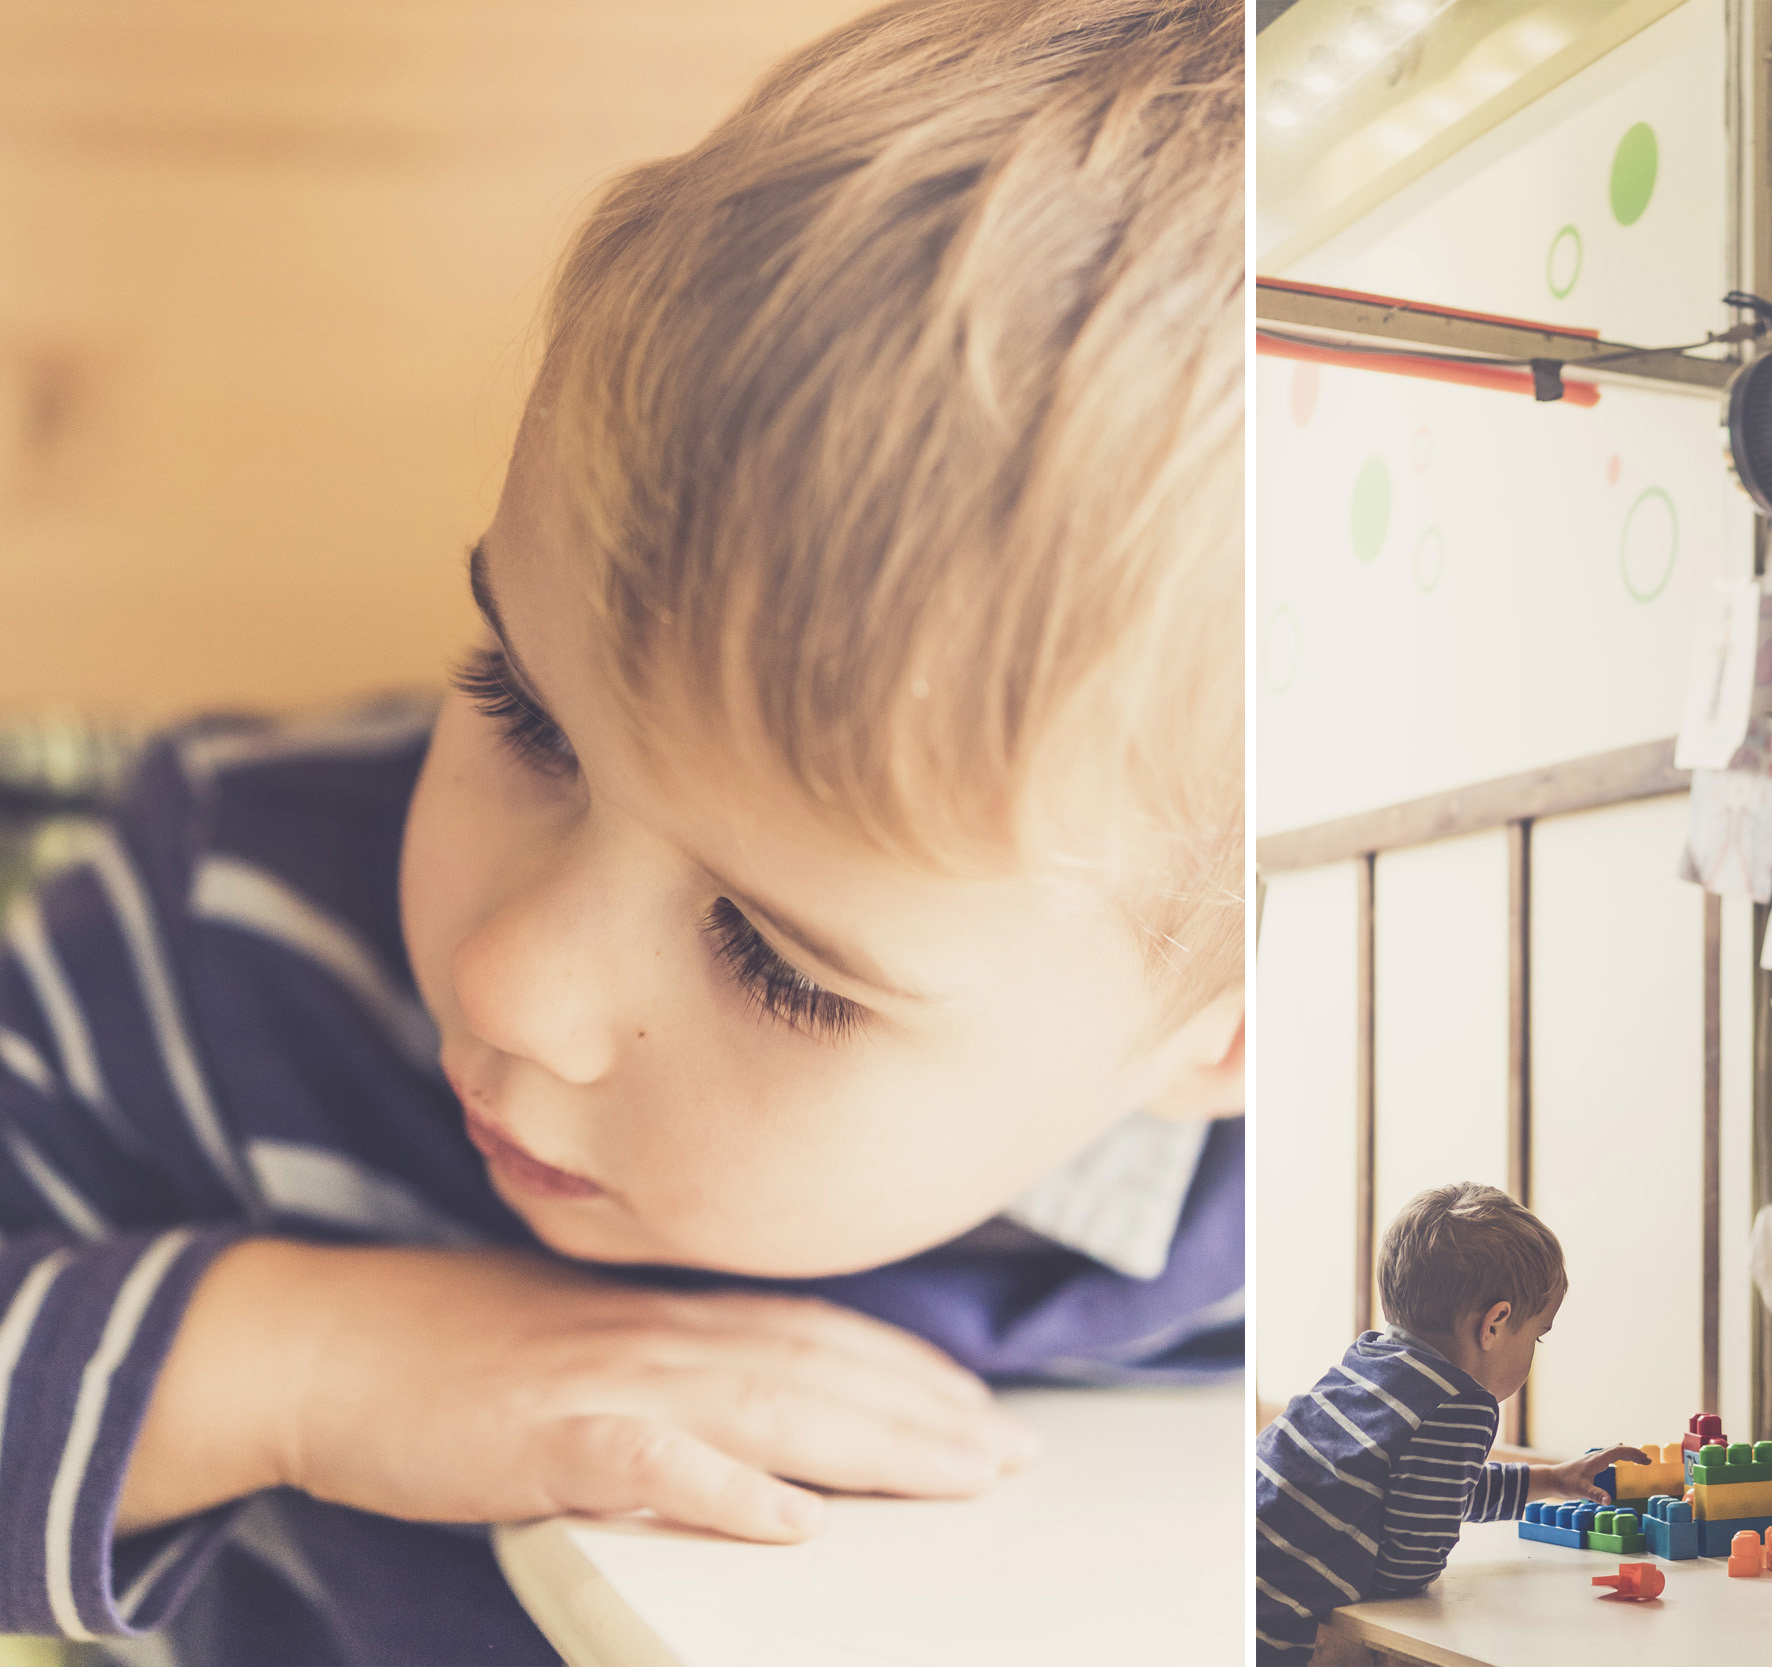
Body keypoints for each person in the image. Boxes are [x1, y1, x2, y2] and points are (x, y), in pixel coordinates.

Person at [0, 2, 1245, 1658]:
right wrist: (288, 1361)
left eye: (771, 957)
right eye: (521, 706)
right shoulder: (213, 935)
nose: (514, 982)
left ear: (1229, 1034)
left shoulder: (1283, 1233)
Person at [1253, 1183, 1642, 1664]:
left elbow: (1427, 1490)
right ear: (1495, 1324)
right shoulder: (1460, 1403)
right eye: (1537, 1337)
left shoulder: (1368, 1360)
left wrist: (1551, 1480)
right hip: (1274, 1637)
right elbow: (1405, 1572)